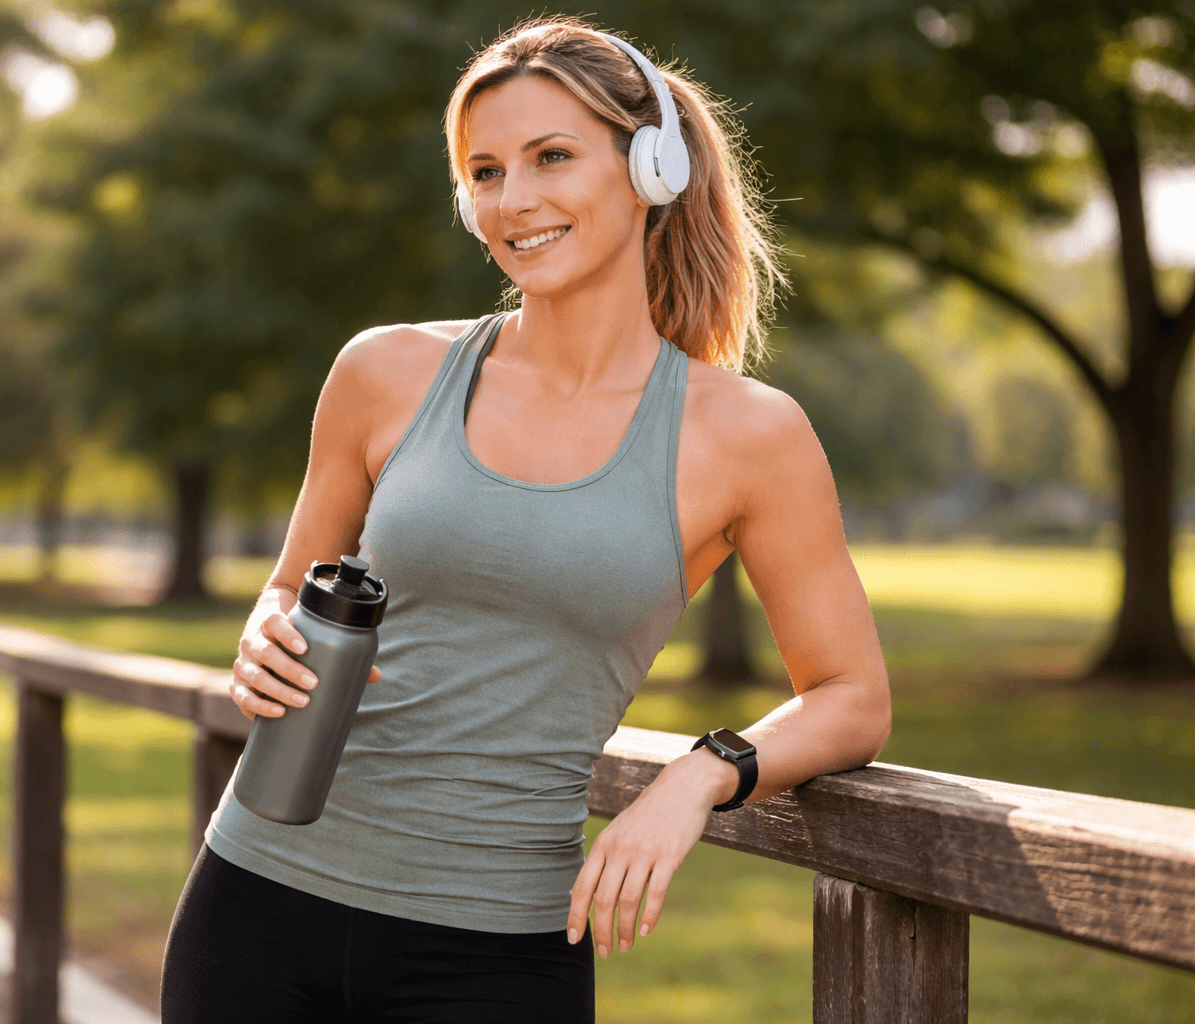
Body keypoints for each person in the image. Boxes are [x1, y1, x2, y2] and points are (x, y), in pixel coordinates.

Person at [160, 14, 890, 1024]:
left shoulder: (749, 437)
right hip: (258, 900)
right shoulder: (383, 372)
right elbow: (289, 584)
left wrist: (700, 776)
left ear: (653, 170)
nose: (516, 199)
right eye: (486, 171)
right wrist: (264, 629)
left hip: (496, 952)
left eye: (552, 157)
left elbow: (852, 695)